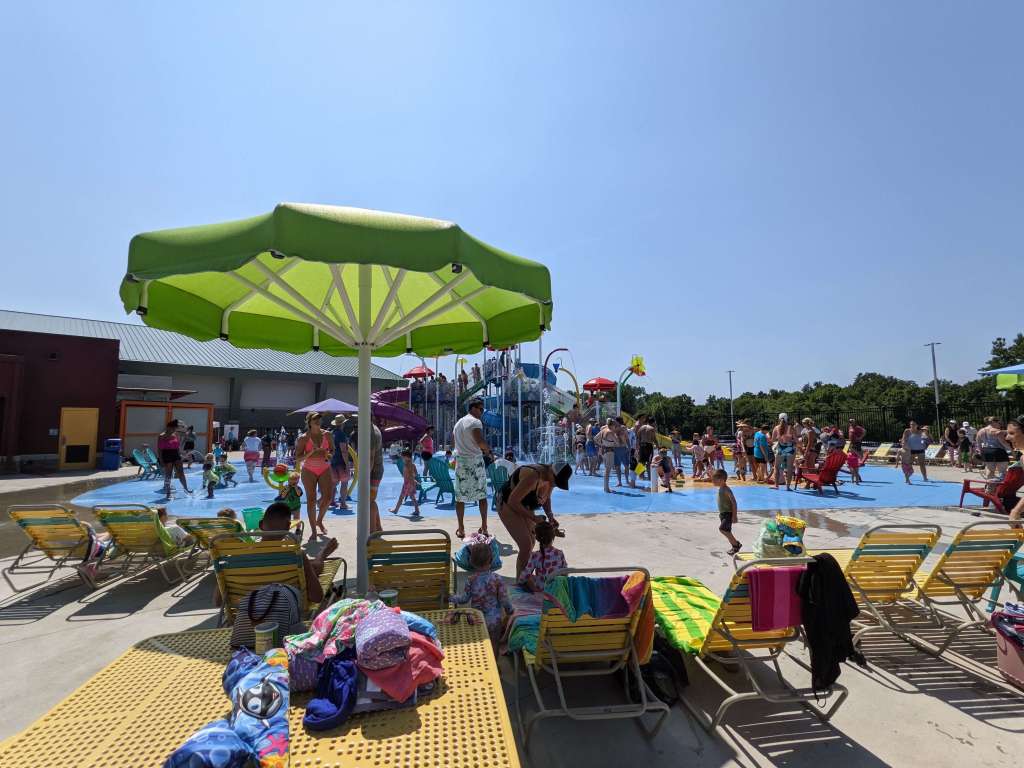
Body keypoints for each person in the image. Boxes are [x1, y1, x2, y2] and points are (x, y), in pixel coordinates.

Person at [497, 462, 571, 576]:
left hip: (524, 503)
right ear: (551, 472)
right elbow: (513, 501)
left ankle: (524, 578)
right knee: (526, 545)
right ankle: (521, 582)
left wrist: (550, 516)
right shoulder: (533, 476)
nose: (554, 484)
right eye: (556, 481)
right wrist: (534, 518)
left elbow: (546, 498)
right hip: (507, 502)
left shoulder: (550, 478)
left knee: (531, 541)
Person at [259, 501, 337, 604]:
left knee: (308, 566)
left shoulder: (239, 556)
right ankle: (322, 555)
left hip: (249, 611)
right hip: (287, 609)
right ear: (288, 527)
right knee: (310, 568)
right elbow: (316, 597)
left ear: (261, 524)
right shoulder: (295, 555)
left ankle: (320, 557)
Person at [450, 540, 512, 651]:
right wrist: (510, 611)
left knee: (479, 645)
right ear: (491, 560)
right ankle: (495, 664)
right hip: (494, 620)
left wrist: (450, 597)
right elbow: (504, 600)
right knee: (494, 645)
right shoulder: (497, 579)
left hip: (477, 618)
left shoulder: (471, 580)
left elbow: (464, 599)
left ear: (471, 561)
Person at [453, 399, 494, 539]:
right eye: (481, 409)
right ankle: (484, 526)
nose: (482, 413)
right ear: (473, 408)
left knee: (460, 497)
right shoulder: (475, 422)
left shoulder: (458, 423)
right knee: (482, 496)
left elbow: (455, 444)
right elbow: (480, 441)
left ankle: (461, 528)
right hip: (475, 462)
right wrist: (488, 451)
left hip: (461, 463)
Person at [295, 412, 335, 542]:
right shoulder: (303, 438)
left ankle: (319, 521)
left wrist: (328, 454)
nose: (318, 421)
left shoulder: (327, 435)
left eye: (319, 419)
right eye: (315, 419)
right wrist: (311, 452)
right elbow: (298, 458)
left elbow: (333, 451)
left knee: (328, 498)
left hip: (324, 468)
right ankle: (313, 530)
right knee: (311, 500)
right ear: (309, 422)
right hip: (309, 470)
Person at [517, 520, 567, 592]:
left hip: (542, 592)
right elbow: (565, 573)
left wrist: (522, 583)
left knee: (530, 578)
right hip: (557, 591)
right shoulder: (559, 553)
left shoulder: (535, 556)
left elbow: (524, 576)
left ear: (537, 538)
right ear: (553, 536)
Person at [157, 419, 192, 497]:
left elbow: (177, 447)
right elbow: (159, 449)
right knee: (168, 474)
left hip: (175, 454)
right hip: (166, 454)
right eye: (173, 428)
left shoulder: (175, 434)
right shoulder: (161, 436)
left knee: (181, 472)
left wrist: (180, 454)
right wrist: (161, 460)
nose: (173, 430)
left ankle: (186, 488)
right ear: (168, 427)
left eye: (175, 428)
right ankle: (168, 492)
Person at [711, 469, 741, 555]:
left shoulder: (726, 489)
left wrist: (734, 516)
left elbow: (734, 502)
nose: (712, 482)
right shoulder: (721, 488)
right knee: (727, 531)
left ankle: (736, 544)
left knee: (723, 529)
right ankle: (735, 546)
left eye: (714, 480)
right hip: (723, 514)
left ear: (721, 480)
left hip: (728, 513)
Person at [390, 449, 421, 517]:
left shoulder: (407, 465)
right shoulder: (412, 465)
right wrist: (414, 480)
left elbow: (410, 475)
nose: (402, 459)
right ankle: (417, 510)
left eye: (403, 457)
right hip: (410, 483)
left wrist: (412, 481)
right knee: (412, 497)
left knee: (401, 497)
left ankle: (396, 510)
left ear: (407, 457)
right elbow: (415, 474)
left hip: (407, 484)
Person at [329, 415, 351, 511]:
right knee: (344, 482)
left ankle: (331, 501)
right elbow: (344, 451)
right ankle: (343, 503)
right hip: (341, 462)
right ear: (343, 423)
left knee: (333, 483)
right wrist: (347, 464)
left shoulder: (331, 433)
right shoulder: (342, 434)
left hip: (332, 461)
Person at [772, 413, 797, 491]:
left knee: (776, 467)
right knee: (789, 468)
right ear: (787, 419)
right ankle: (788, 487)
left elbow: (773, 440)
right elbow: (796, 440)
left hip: (780, 448)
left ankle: (776, 485)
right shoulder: (791, 428)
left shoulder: (776, 428)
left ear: (779, 419)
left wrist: (779, 438)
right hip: (790, 448)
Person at [596, 418, 619, 493]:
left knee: (606, 469)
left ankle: (605, 487)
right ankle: (606, 488)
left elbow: (595, 438)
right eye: (614, 425)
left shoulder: (603, 430)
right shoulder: (610, 432)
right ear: (612, 425)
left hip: (604, 451)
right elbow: (617, 443)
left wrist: (601, 444)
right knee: (607, 470)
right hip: (609, 451)